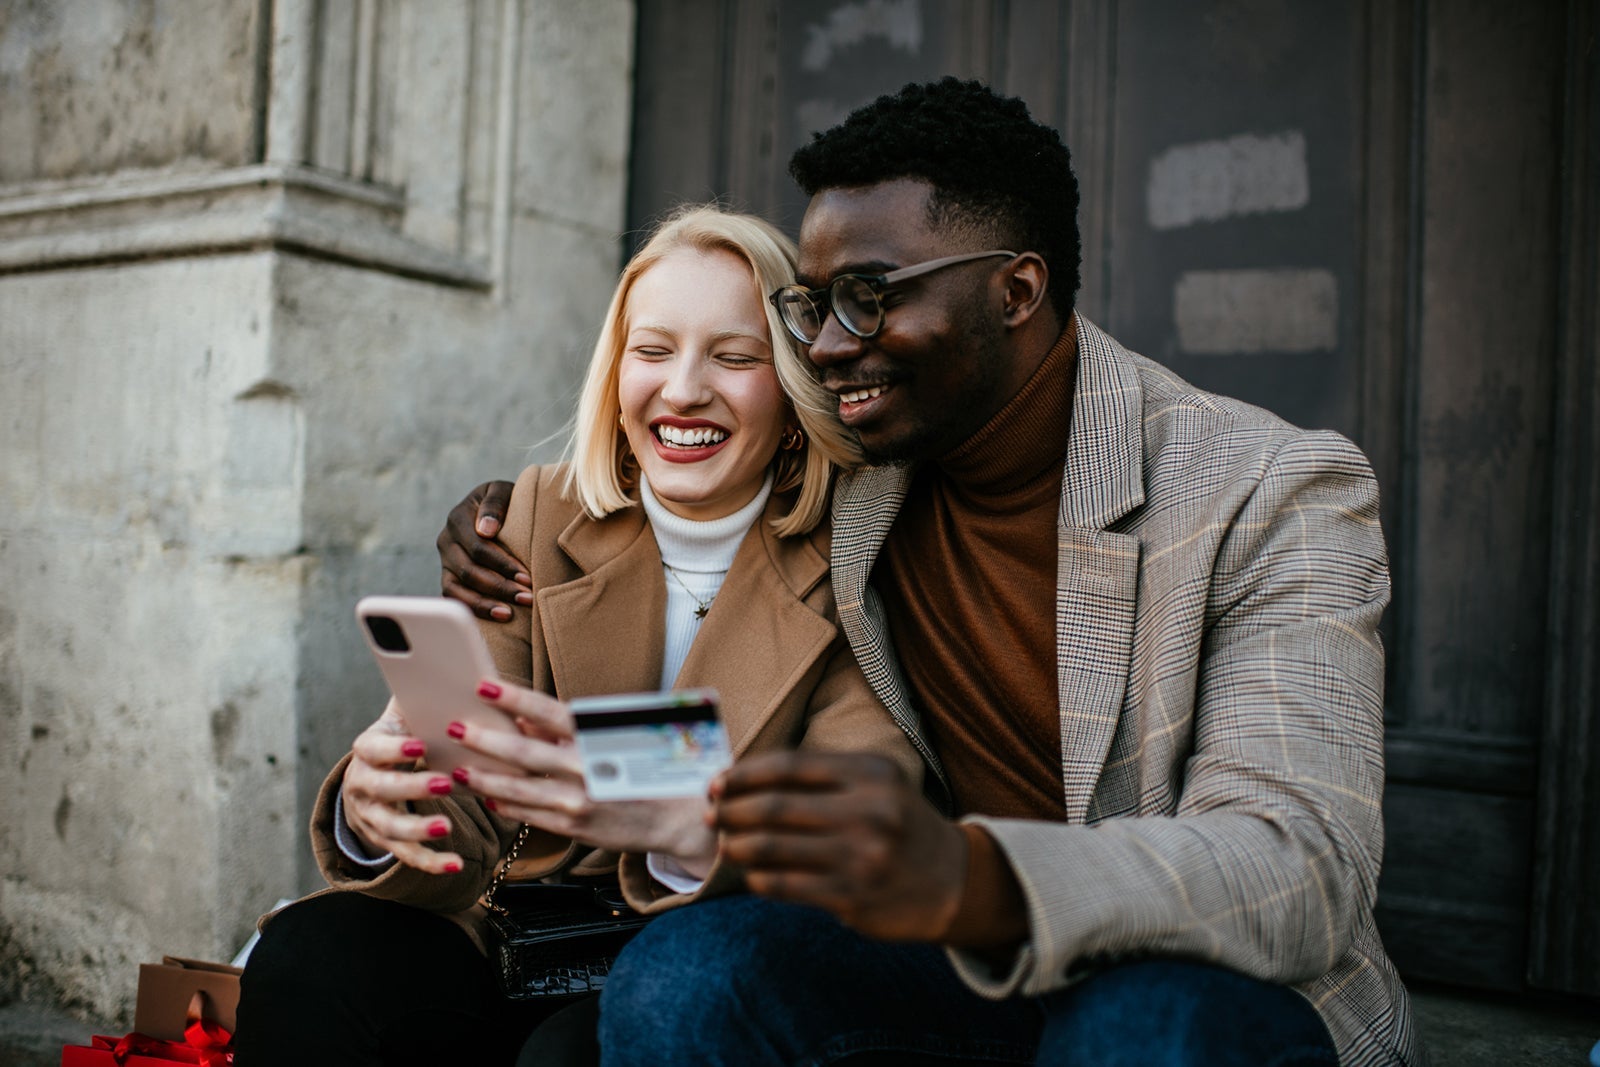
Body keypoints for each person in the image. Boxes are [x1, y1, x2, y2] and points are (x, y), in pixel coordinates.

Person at [441, 79, 1422, 1066]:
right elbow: (686, 472)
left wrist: (975, 874)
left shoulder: (1270, 486)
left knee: (1136, 1025)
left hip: (1197, 984)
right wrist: (515, 514)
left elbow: (1302, 865)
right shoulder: (859, 475)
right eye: (814, 306)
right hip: (957, 970)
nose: (825, 347)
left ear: (1016, 289)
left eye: (869, 297)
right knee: (689, 969)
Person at [233, 204, 921, 1067]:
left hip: (713, 959)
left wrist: (692, 825)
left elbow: (867, 796)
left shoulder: (855, 551)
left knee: (581, 1047)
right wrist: (387, 813)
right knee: (315, 955)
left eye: (735, 357)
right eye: (654, 350)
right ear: (616, 373)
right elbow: (471, 800)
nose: (682, 390)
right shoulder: (538, 513)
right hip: (526, 945)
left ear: (791, 388)